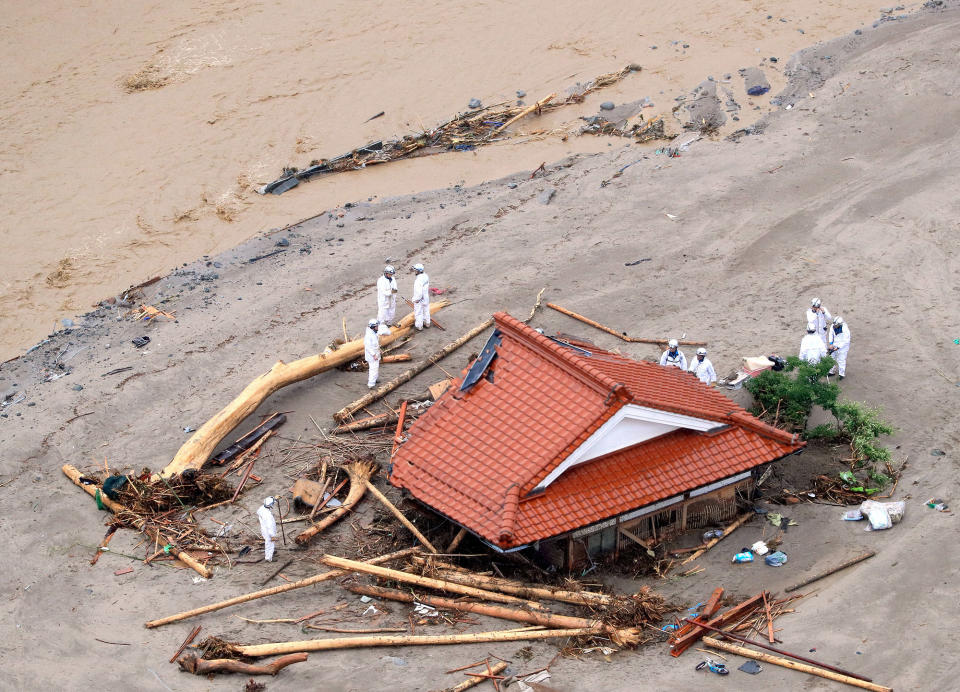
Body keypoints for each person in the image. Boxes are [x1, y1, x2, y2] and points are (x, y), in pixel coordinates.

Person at [257, 497, 279, 562]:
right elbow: (270, 526)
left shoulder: (262, 509)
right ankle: (269, 558)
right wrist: (272, 535)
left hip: (264, 529)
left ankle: (270, 554)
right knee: (270, 543)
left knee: (268, 542)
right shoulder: (268, 515)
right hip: (268, 531)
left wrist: (275, 498)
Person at [411, 263, 431, 330]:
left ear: (418, 271)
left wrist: (416, 299)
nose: (414, 271)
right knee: (426, 310)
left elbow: (418, 292)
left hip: (420, 299)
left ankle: (419, 326)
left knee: (418, 312)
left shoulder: (418, 280)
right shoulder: (426, 276)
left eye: (415, 270)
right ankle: (427, 323)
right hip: (426, 297)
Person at [364, 318, 381, 389]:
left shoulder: (374, 333)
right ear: (373, 327)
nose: (378, 327)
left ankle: (375, 379)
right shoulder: (369, 336)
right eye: (376, 326)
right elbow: (368, 347)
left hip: (376, 354)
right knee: (373, 369)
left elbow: (376, 344)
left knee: (376, 368)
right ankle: (371, 384)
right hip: (372, 356)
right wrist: (374, 355)